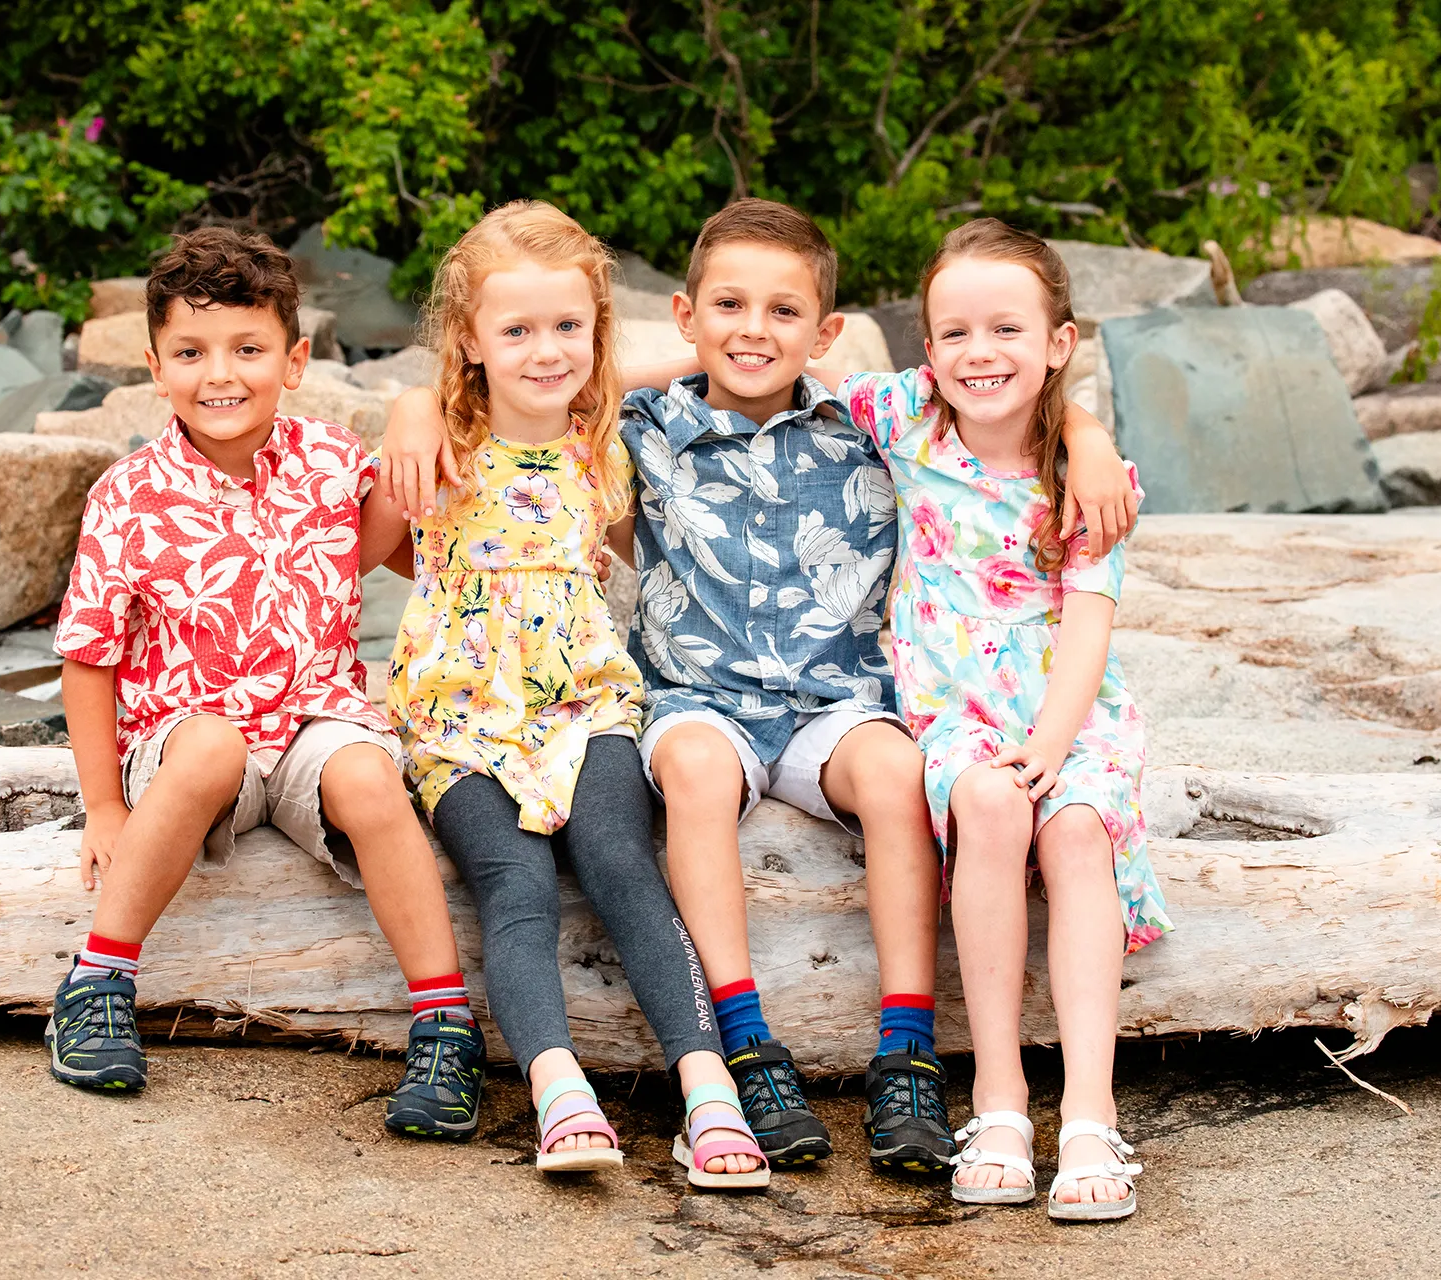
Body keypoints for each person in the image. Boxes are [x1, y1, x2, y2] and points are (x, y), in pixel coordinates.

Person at [381, 198, 1140, 1177]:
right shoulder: (640, 422)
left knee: (902, 771)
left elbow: (1011, 390)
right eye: (728, 306)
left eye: (785, 312)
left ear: (826, 334)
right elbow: (544, 386)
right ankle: (746, 1042)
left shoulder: (872, 417)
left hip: (837, 699)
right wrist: (411, 402)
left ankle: (905, 1047)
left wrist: (1081, 428)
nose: (754, 330)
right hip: (704, 700)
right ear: (685, 315)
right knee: (691, 769)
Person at [48, 227, 488, 1149]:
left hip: (314, 715)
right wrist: (99, 805)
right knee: (211, 747)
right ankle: (98, 980)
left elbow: (413, 549)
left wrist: (414, 407)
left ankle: (446, 1026)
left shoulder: (331, 463)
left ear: (295, 360)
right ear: (154, 365)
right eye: (192, 352)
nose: (222, 374)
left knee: (370, 776)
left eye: (248, 350)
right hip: (184, 732)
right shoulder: (127, 494)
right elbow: (88, 654)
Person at [364, 200, 768, 1188]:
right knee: (517, 886)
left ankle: (707, 1085)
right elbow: (364, 554)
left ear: (597, 329)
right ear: (468, 341)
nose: (547, 350)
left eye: (568, 326)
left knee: (624, 859)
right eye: (516, 330)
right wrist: (407, 407)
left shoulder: (605, 438)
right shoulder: (439, 445)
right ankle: (558, 1085)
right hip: (461, 716)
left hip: (584, 698)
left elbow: (684, 372)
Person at [843, 217, 1172, 1221]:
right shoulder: (905, 419)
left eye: (1006, 330)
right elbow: (792, 339)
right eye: (954, 333)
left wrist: (1054, 745)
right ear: (927, 347)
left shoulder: (1085, 476)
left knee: (1075, 828)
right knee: (988, 807)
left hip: (1067, 708)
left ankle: (1089, 1111)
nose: (980, 354)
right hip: (955, 709)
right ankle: (997, 1098)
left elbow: (1088, 623)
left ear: (1060, 342)